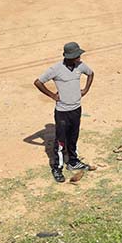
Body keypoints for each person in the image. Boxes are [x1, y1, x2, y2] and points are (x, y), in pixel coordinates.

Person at [35, 42, 95, 183]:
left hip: (76, 108)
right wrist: (52, 95)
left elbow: (91, 74)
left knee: (73, 136)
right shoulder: (55, 69)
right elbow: (38, 82)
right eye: (77, 55)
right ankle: (57, 168)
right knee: (61, 141)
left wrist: (85, 90)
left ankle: (73, 161)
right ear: (70, 57)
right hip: (62, 111)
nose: (79, 57)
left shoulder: (80, 66)